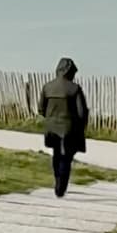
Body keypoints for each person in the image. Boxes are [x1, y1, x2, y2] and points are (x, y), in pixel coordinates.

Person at [37, 56, 90, 197]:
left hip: (52, 127)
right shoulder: (75, 89)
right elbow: (81, 112)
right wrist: (82, 126)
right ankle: (61, 186)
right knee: (66, 157)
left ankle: (57, 181)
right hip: (69, 129)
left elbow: (41, 109)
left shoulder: (47, 87)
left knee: (56, 154)